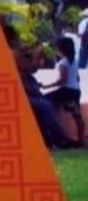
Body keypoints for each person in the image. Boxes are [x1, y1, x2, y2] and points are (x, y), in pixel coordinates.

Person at [10, 22, 74, 150]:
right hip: (16, 92)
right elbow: (28, 65)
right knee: (44, 105)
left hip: (26, 87)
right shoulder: (13, 53)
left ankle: (53, 139)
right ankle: (59, 140)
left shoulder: (19, 52)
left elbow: (30, 67)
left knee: (44, 103)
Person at [47, 36, 86, 145]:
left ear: (59, 49)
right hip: (75, 91)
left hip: (66, 91)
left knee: (46, 102)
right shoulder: (75, 61)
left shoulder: (62, 63)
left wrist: (46, 86)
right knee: (77, 116)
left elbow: (62, 81)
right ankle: (81, 140)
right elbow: (77, 78)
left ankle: (56, 133)